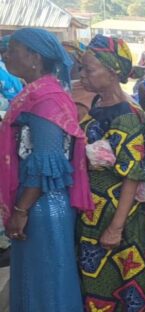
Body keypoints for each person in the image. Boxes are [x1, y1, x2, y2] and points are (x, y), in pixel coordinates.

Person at [0, 27, 94, 311]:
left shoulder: (47, 100)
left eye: (12, 49)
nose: (5, 55)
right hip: (35, 203)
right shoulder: (34, 95)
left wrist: (21, 211)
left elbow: (47, 163)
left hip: (41, 206)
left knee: (47, 283)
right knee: (33, 280)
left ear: (34, 57)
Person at [77, 34, 145, 311]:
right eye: (82, 69)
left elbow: (133, 175)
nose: (82, 75)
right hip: (94, 212)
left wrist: (116, 227)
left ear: (112, 72)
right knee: (98, 284)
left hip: (117, 217)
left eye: (89, 70)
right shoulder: (100, 106)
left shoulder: (126, 114)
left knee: (122, 284)